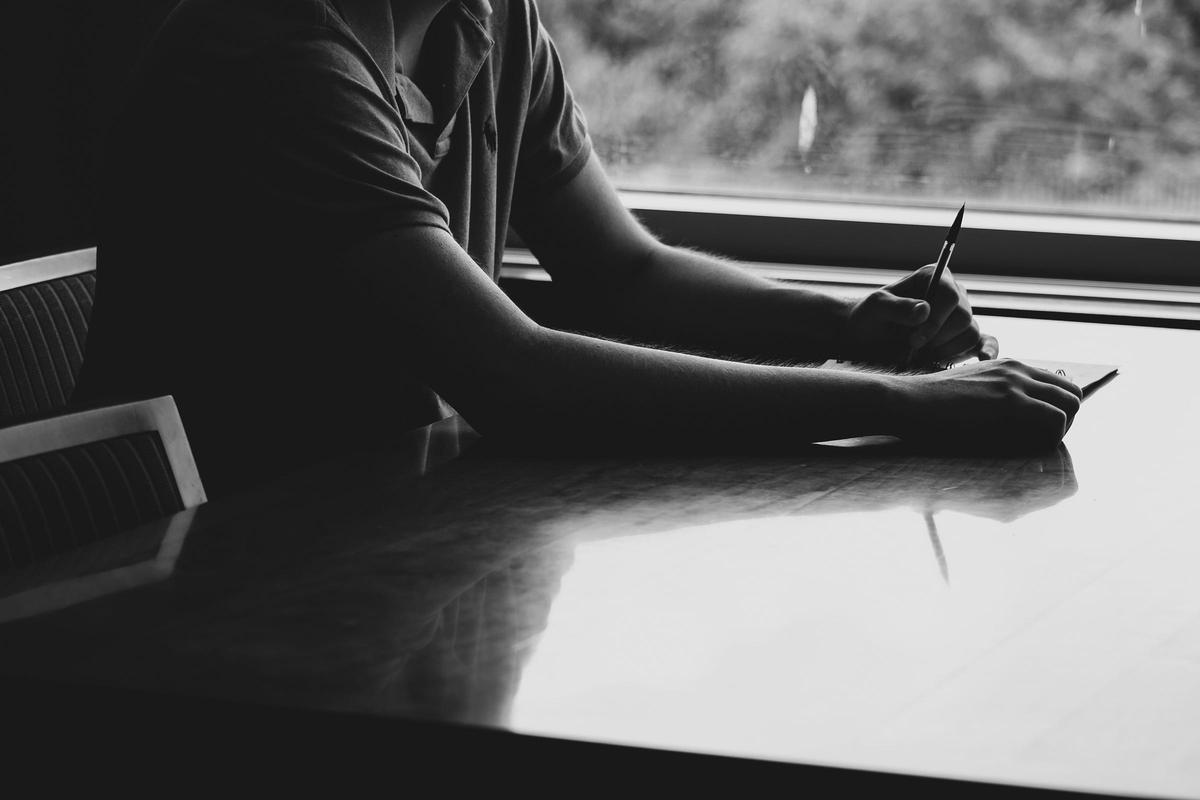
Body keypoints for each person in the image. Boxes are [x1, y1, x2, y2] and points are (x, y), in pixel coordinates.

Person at [73, 0, 1082, 498]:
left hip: (387, 515)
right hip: (208, 564)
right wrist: (899, 403)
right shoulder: (277, 56)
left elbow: (621, 271)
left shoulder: (490, 20)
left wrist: (849, 324)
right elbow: (513, 375)